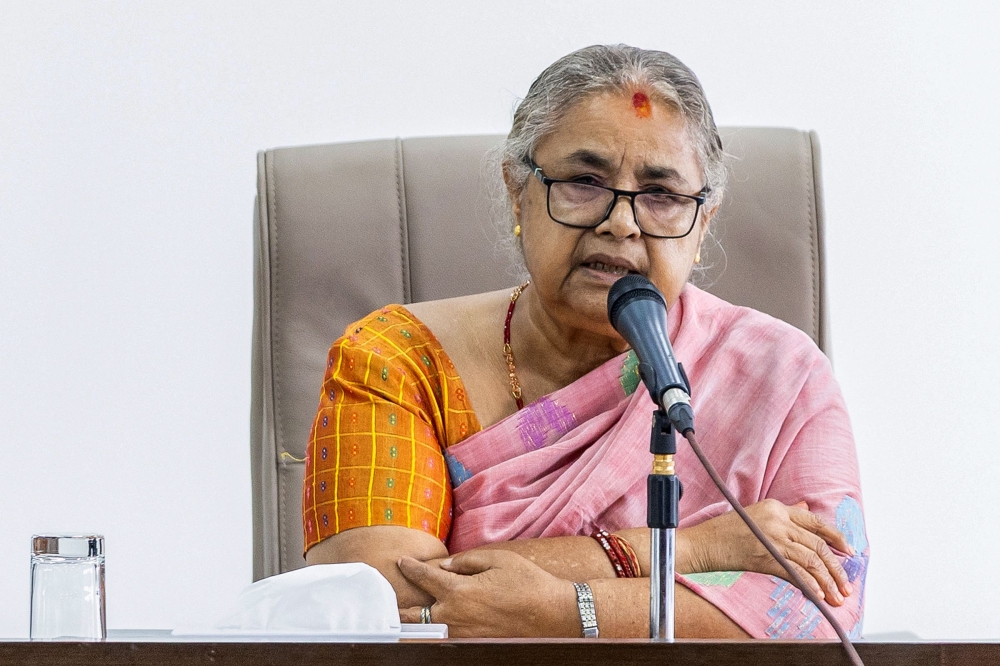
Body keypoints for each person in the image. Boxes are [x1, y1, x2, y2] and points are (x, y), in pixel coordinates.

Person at [301, 44, 868, 639]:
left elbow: (815, 613)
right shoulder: (397, 360)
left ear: (703, 224)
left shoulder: (780, 375)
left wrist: (556, 610)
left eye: (662, 195)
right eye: (583, 182)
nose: (620, 222)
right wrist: (684, 552)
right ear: (517, 191)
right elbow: (375, 604)